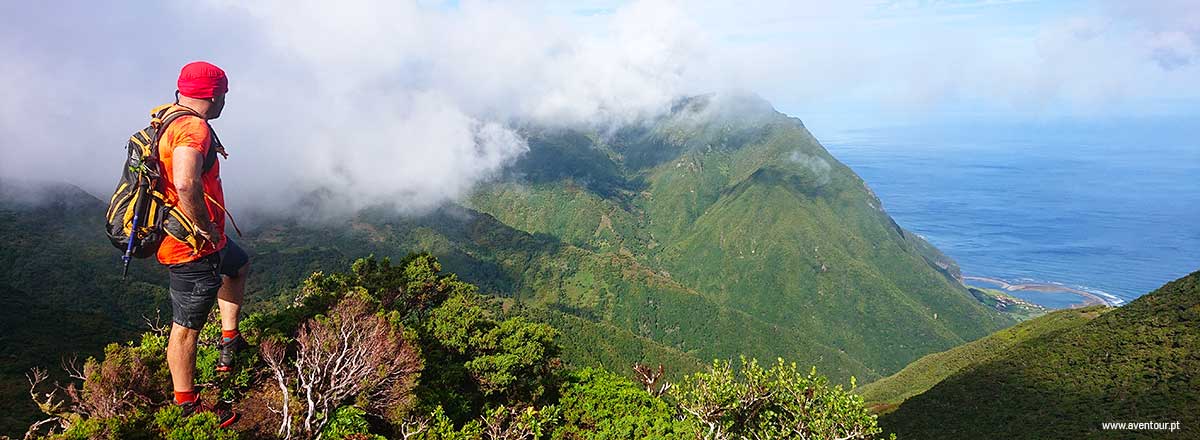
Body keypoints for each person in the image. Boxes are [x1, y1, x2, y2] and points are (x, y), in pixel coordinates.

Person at [157, 61, 247, 427]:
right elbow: (184, 182)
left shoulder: (167, 118)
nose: (225, 101)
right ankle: (187, 405)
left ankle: (230, 340)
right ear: (213, 96)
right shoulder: (193, 128)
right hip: (190, 247)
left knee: (238, 265)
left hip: (208, 242)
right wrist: (204, 226)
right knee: (185, 329)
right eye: (223, 94)